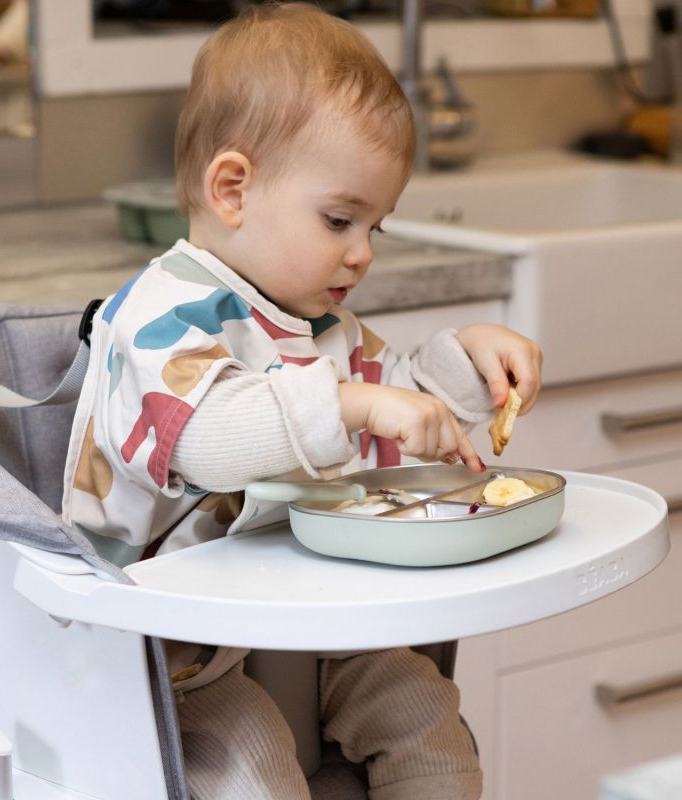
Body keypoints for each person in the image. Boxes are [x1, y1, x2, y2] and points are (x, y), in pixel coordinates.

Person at [62, 3, 542, 798]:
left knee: (431, 729)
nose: (361, 252)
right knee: (257, 772)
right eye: (339, 219)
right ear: (232, 189)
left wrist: (465, 367)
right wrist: (355, 405)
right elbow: (206, 440)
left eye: (375, 227)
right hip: (172, 653)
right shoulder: (161, 315)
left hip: (307, 617)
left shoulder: (316, 324)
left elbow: (401, 421)